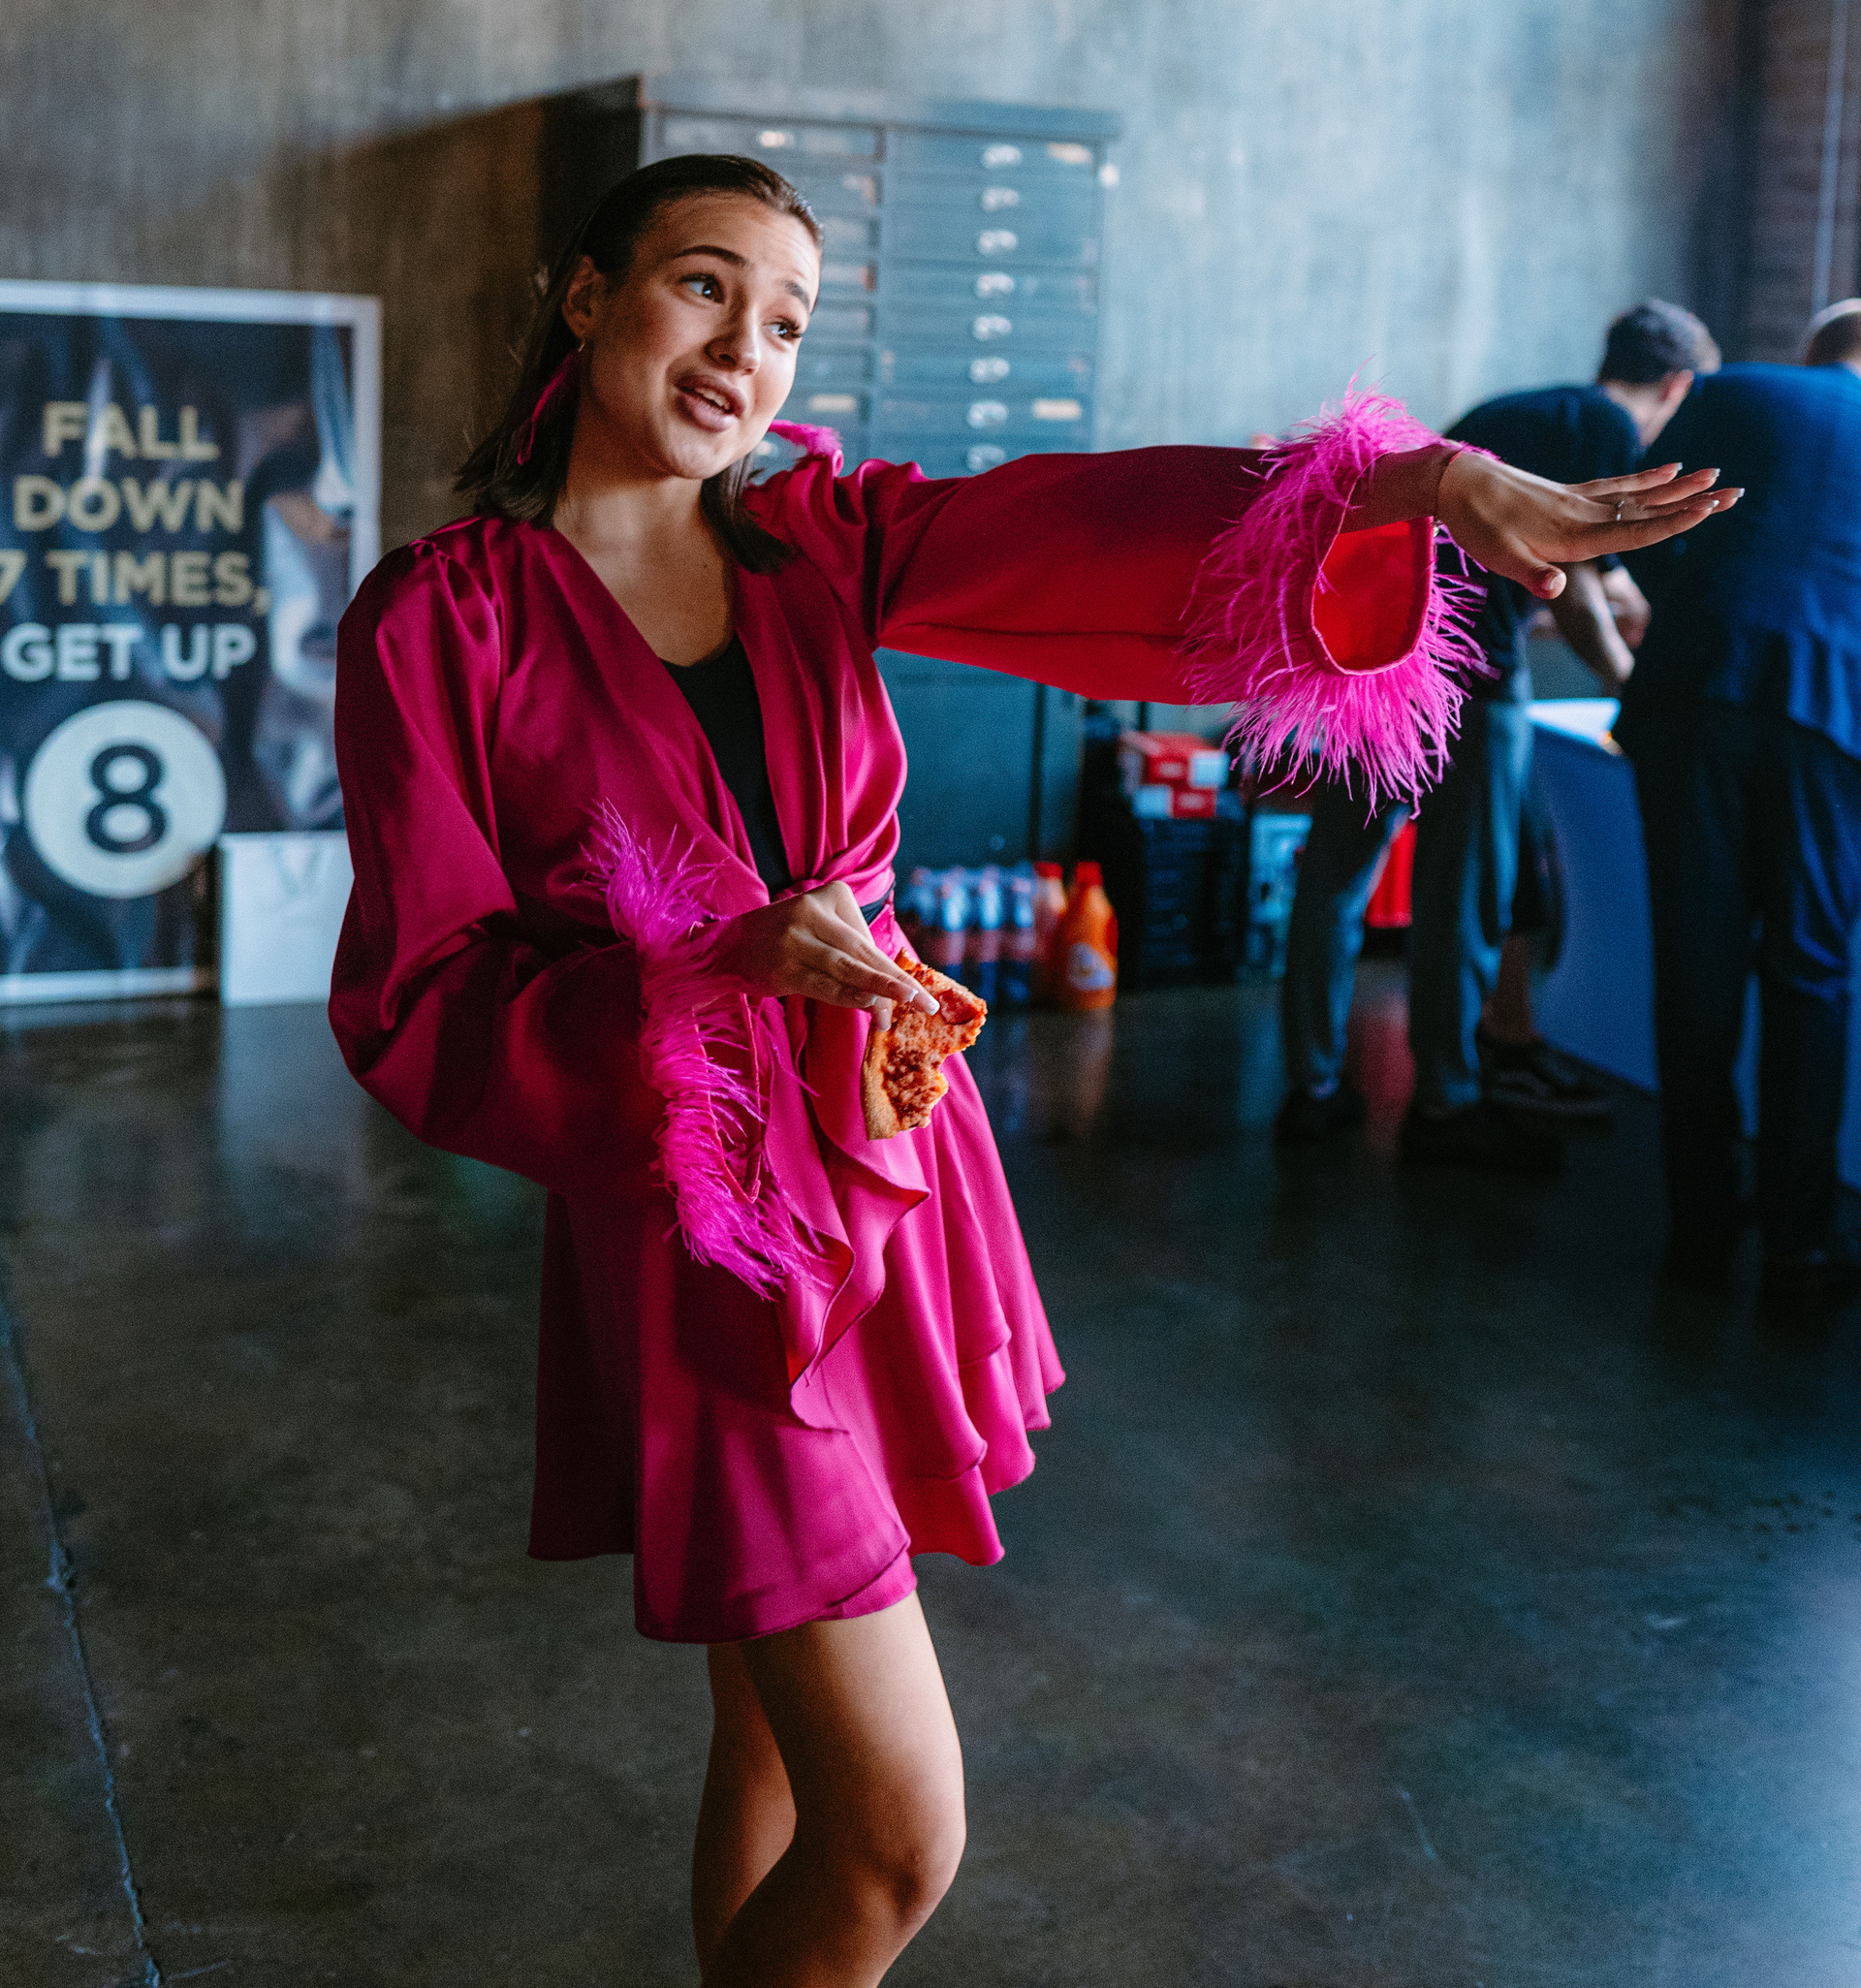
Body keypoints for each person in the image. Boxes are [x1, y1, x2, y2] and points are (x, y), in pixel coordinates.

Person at [329, 162, 1732, 1985]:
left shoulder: (815, 539)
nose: (744, 349)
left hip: (894, 1163)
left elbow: (1087, 527)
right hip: (711, 1231)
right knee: (900, 1839)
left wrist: (1419, 483)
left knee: (771, 1733)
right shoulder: (443, 619)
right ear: (588, 297)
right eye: (702, 287)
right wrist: (713, 964)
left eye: (785, 321)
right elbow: (425, 991)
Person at [1277, 300, 1721, 1171]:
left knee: (1334, 879)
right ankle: (1445, 1101)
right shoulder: (1604, 426)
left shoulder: (1516, 411)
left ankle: (1311, 1088)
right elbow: (1581, 591)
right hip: (1473, 681)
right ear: (1676, 385)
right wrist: (1635, 694)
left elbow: (1534, 565)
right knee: (1460, 896)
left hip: (1380, 659)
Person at [1618, 300, 1861, 1311]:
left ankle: (1702, 1228)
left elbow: (1630, 518)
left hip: (1691, 689)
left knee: (1696, 963)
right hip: (1831, 712)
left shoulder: (1737, 390)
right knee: (1809, 972)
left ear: (1813, 353)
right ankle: (1799, 1249)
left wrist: (1696, 602)